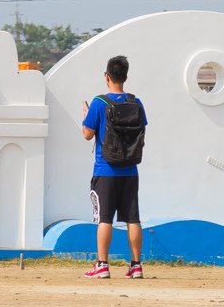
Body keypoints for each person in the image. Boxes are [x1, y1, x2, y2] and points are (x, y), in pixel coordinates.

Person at [80, 55, 147, 280]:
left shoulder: (99, 103)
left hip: (105, 170)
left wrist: (84, 118)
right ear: (125, 77)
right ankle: (136, 265)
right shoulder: (136, 103)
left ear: (106, 76)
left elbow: (88, 134)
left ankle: (102, 265)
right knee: (133, 219)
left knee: (104, 219)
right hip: (130, 170)